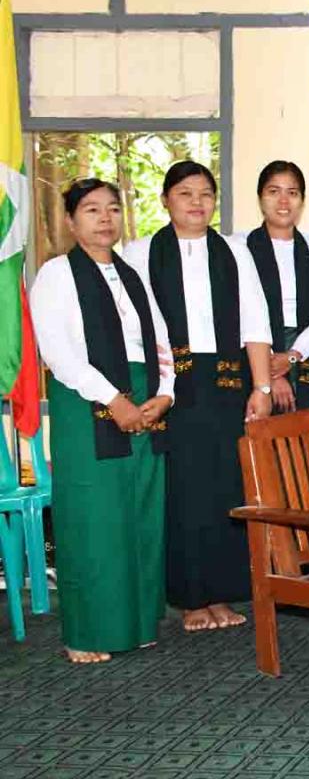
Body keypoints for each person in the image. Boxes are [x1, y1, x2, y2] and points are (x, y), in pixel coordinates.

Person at [122, 162, 274, 632]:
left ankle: (222, 593)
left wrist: (262, 387)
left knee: (227, 484)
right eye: (185, 193)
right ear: (165, 199)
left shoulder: (235, 251)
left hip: (227, 383)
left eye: (206, 193)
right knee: (183, 488)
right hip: (170, 383)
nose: (196, 202)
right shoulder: (140, 252)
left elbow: (255, 322)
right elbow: (132, 325)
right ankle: (190, 598)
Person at [32, 179, 175, 663]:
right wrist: (113, 399)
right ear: (71, 221)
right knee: (94, 519)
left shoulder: (133, 274)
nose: (105, 218)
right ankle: (87, 632)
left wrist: (165, 393)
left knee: (141, 513)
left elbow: (160, 340)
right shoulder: (56, 275)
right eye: (92, 210)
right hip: (86, 400)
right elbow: (58, 352)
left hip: (144, 397)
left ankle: (135, 624)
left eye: (113, 209)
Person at [240, 161, 309, 411]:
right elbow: (238, 310)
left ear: (302, 201)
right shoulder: (240, 246)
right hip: (255, 349)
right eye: (274, 191)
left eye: (292, 193)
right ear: (260, 198)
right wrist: (271, 370)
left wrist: (293, 355)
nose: (283, 201)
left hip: (307, 349)